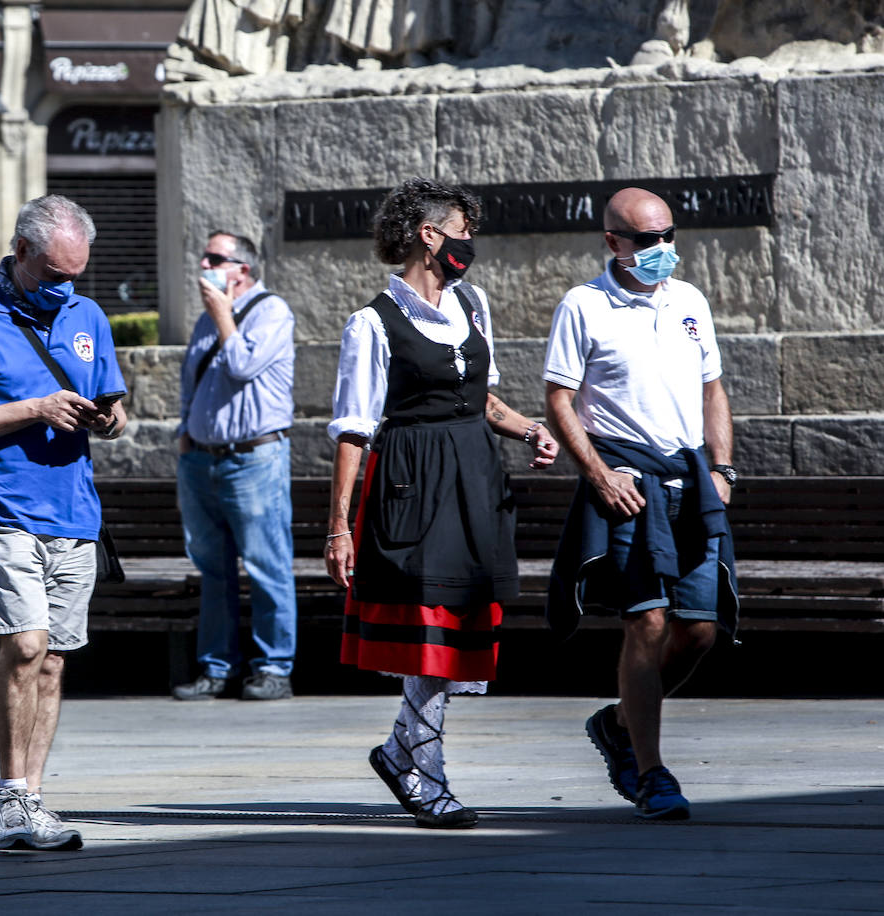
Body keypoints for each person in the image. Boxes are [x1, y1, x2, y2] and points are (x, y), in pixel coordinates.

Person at [325, 178, 557, 828]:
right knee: (429, 630)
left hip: (473, 478)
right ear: (429, 235)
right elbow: (352, 428)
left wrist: (530, 428)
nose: (467, 244)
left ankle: (404, 751)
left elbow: (481, 396)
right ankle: (424, 770)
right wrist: (338, 527)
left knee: (456, 625)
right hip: (412, 482)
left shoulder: (470, 304)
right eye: (460, 231)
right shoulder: (372, 323)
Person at [0, 195, 127, 851]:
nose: (65, 288)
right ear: (20, 252)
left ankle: (33, 801)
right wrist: (35, 408)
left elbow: (115, 406)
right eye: (53, 275)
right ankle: (11, 797)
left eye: (76, 275)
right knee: (27, 644)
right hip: (3, 508)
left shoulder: (87, 315)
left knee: (54, 661)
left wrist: (108, 418)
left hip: (74, 512)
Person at [543, 186, 738, 821]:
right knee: (646, 623)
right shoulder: (584, 305)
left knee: (701, 630)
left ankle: (620, 721)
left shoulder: (689, 301)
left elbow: (712, 386)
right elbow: (558, 400)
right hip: (629, 485)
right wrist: (599, 476)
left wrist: (722, 467)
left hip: (690, 482)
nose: (661, 250)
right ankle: (653, 774)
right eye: (646, 240)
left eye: (667, 236)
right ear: (613, 242)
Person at [171, 231, 298, 702]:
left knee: (267, 566)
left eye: (214, 258)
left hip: (253, 460)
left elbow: (243, 365)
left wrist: (223, 315)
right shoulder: (207, 320)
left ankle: (273, 667)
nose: (202, 262)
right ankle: (216, 667)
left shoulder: (272, 312)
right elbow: (192, 379)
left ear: (241, 270)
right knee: (213, 569)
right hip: (201, 461)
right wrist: (185, 433)